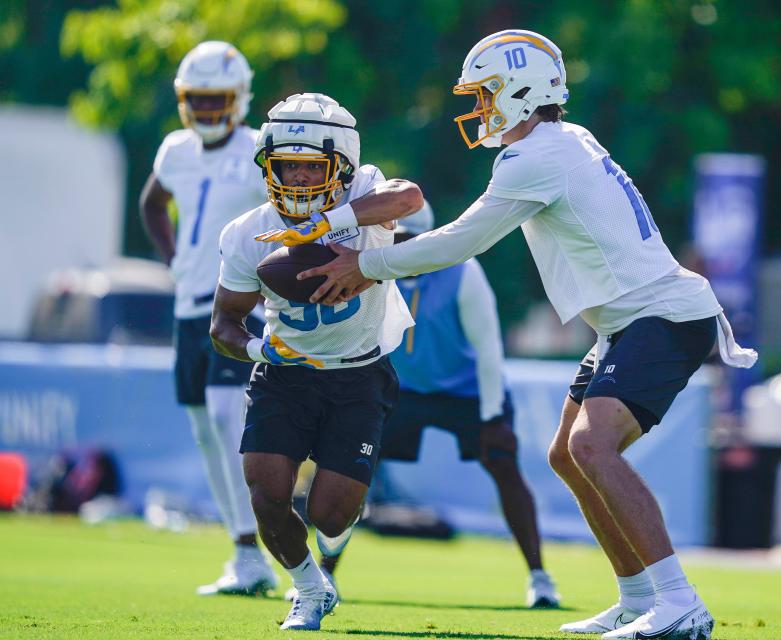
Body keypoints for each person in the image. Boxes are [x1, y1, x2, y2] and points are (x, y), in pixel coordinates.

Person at [275, 30, 756, 640]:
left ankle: (678, 600)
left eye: (486, 94)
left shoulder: (537, 157)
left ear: (522, 92)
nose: (478, 109)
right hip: (629, 320)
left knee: (592, 447)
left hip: (661, 314)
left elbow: (461, 241)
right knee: (567, 454)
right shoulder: (567, 139)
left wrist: (364, 265)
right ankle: (638, 597)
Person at [212, 92, 421, 631]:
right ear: (268, 166)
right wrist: (261, 349)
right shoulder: (246, 234)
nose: (300, 177)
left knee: (331, 513)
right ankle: (308, 588)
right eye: (288, 165)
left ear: (342, 167)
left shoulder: (365, 191)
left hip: (360, 372)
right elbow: (224, 325)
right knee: (266, 492)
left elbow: (410, 197)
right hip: (285, 373)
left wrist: (326, 225)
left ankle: (337, 528)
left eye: (312, 165)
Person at [315, 201, 561, 608]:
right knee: (351, 473)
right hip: (401, 389)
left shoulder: (462, 272)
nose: (401, 250)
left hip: (463, 391)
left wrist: (493, 414)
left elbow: (488, 348)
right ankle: (323, 575)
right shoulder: (368, 270)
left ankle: (539, 576)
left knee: (504, 465)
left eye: (410, 242)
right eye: (394, 241)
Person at [139, 40, 275, 596]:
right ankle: (244, 552)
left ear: (239, 98)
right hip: (187, 305)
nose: (208, 110)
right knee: (203, 427)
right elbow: (152, 203)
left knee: (226, 419)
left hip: (241, 306)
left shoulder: (257, 148)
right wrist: (175, 261)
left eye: (217, 99)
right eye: (198, 99)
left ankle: (268, 543)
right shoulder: (176, 149)